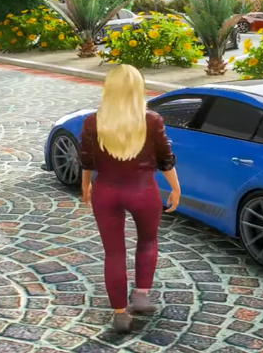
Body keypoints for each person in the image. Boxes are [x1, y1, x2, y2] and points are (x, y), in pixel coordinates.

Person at [79, 64, 181, 332]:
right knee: (148, 242)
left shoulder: (93, 121)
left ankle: (120, 313)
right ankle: (141, 297)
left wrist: (85, 186)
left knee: (113, 253)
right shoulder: (152, 120)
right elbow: (165, 159)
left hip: (106, 191)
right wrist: (175, 188)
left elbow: (86, 160)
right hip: (143, 191)